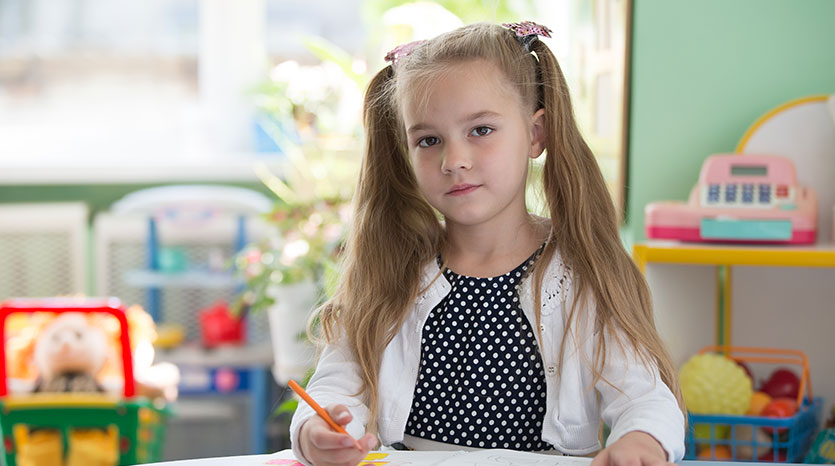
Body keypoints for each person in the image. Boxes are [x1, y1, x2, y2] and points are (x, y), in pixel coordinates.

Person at [290, 21, 685, 466]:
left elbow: (644, 400)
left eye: (480, 130)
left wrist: (641, 441)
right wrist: (317, 431)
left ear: (536, 134)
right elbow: (334, 389)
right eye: (429, 140)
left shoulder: (583, 273)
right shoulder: (391, 271)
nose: (454, 160)